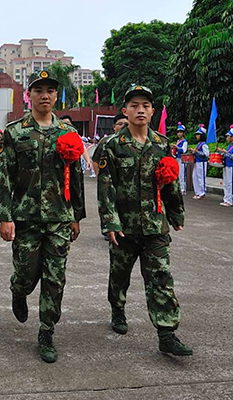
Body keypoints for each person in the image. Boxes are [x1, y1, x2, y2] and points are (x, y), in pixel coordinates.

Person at [0, 70, 85, 363]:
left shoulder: (68, 135)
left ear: (56, 96)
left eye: (50, 90)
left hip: (58, 217)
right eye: (38, 90)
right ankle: (18, 292)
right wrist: (5, 217)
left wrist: (76, 216)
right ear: (28, 95)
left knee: (55, 278)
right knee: (26, 274)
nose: (45, 95)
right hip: (26, 219)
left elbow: (76, 177)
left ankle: (47, 331)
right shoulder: (14, 132)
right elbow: (3, 177)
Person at [97, 85, 192, 356]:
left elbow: (169, 180)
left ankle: (167, 332)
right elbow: (106, 187)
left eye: (145, 105)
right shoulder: (113, 145)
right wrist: (110, 223)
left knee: (161, 277)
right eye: (134, 105)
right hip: (124, 228)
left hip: (154, 225)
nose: (140, 110)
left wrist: (175, 213)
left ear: (152, 111)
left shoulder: (161, 144)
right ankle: (118, 308)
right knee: (119, 276)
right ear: (125, 111)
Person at [192, 124, 209, 199]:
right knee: (194, 177)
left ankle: (202, 192)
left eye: (198, 134)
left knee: (201, 177)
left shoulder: (204, 145)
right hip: (197, 162)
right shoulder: (199, 144)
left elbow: (206, 154)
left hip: (202, 162)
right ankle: (197, 192)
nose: (197, 136)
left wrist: (196, 151)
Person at [218, 125, 233, 206]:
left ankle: (230, 200)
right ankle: (226, 199)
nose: (227, 138)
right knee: (226, 183)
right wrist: (221, 152)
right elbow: (226, 155)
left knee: (230, 183)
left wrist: (225, 152)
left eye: (228, 136)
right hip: (226, 166)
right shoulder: (229, 146)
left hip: (231, 166)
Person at [173, 122, 188, 195]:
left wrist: (177, 147)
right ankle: (179, 187)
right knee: (177, 174)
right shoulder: (178, 141)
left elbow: (183, 150)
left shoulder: (184, 142)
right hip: (177, 158)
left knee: (182, 174)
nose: (179, 133)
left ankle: (183, 189)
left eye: (181, 132)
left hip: (182, 159)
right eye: (178, 132)